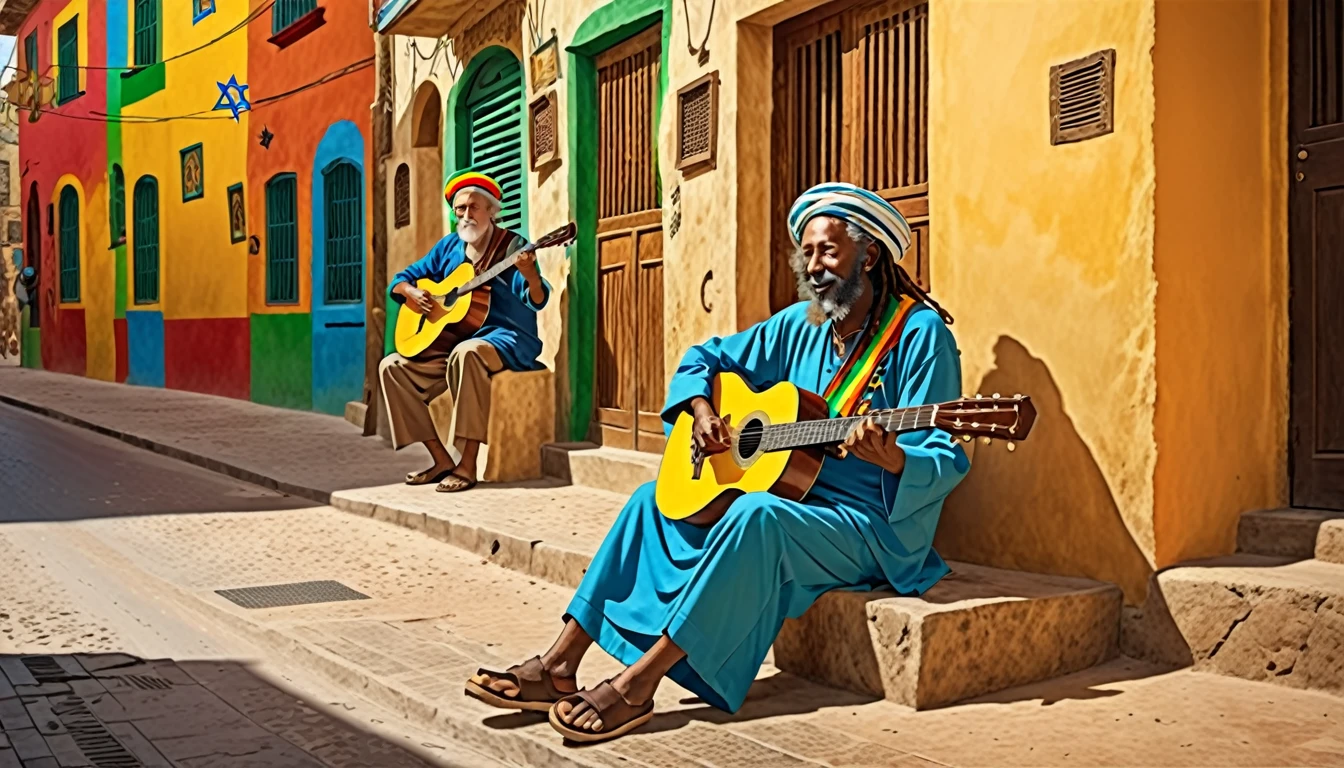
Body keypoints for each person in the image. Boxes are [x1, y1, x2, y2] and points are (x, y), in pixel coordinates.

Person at [464, 182, 971, 744]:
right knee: (648, 503)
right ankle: (559, 665)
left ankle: (638, 684)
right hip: (794, 498)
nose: (816, 265)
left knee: (754, 516)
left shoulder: (920, 335)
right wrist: (704, 409)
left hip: (871, 524)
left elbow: (947, 455)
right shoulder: (801, 324)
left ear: (868, 255)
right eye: (808, 253)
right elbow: (704, 356)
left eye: (829, 251)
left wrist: (896, 456)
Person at [379, 171, 550, 493]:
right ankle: (441, 458)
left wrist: (530, 275)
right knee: (392, 367)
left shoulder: (511, 246)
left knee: (467, 352)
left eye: (474, 208)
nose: (466, 215)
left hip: (506, 338)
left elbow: (537, 299)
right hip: (455, 341)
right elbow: (403, 278)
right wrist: (410, 292)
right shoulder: (449, 247)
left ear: (491, 211)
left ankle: (467, 463)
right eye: (460, 209)